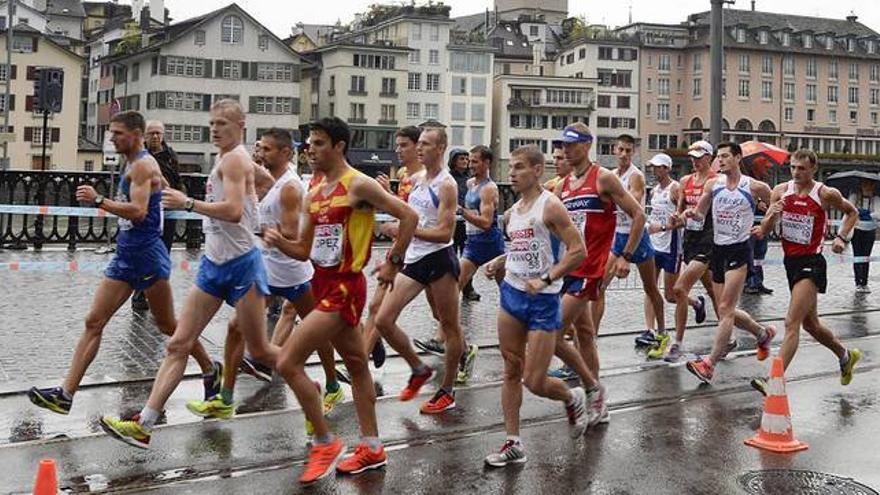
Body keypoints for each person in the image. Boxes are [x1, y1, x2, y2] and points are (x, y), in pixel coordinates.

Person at [98, 99, 279, 448]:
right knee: (179, 343)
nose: (214, 129)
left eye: (223, 123)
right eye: (212, 123)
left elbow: (234, 210)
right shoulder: (231, 160)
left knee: (262, 352)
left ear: (241, 124)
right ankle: (144, 424)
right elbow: (267, 179)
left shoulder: (237, 159)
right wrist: (261, 201)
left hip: (242, 263)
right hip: (214, 263)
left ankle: (315, 386)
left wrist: (189, 203)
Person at [27, 111, 220, 415]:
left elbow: (139, 211)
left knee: (168, 324)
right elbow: (163, 188)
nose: (112, 138)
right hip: (127, 253)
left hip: (146, 254)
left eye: (117, 133)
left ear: (136, 134)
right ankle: (65, 394)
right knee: (94, 321)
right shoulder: (136, 163)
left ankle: (210, 369)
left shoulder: (142, 165)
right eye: (111, 133)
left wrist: (99, 200)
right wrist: (167, 193)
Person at [262, 117, 418, 484]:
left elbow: (408, 216)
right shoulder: (313, 189)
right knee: (357, 364)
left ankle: (325, 441)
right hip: (320, 284)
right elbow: (303, 251)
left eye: (317, 143)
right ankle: (373, 447)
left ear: (339, 146)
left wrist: (394, 264)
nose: (309, 150)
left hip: (346, 289)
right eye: (308, 144)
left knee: (287, 361)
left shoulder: (358, 184)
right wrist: (277, 240)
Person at [184, 128, 342, 426]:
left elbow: (293, 233)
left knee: (316, 330)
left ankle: (330, 386)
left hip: (292, 271)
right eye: (259, 148)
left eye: (267, 149)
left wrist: (260, 230)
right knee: (235, 328)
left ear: (285, 153)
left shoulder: (291, 187)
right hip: (266, 268)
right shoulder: (266, 179)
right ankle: (225, 398)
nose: (260, 153)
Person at [483, 145, 591, 467]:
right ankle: (512, 442)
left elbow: (578, 251)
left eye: (518, 168)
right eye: (511, 168)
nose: (512, 173)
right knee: (511, 368)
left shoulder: (551, 206)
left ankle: (573, 397)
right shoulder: (512, 212)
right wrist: (499, 261)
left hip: (543, 301)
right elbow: (521, 248)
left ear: (537, 170)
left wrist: (546, 279)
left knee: (535, 381)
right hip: (512, 294)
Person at [749, 149, 862, 394]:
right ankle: (845, 356)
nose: (797, 172)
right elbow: (766, 228)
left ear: (813, 169)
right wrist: (771, 216)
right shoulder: (780, 191)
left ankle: (773, 380)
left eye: (802, 168)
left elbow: (851, 212)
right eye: (793, 168)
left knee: (792, 323)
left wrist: (842, 237)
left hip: (812, 263)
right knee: (811, 325)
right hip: (791, 262)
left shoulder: (824, 193)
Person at [374, 127, 466, 414]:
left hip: (439, 259)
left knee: (448, 325)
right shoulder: (415, 179)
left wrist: (408, 231)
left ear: (440, 148)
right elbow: (409, 215)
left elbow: (443, 232)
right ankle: (418, 366)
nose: (420, 148)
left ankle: (447, 390)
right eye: (420, 144)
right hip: (414, 260)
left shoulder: (447, 185)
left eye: (426, 144)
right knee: (383, 320)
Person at [683, 142, 776, 383]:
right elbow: (700, 213)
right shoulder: (713, 185)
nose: (720, 161)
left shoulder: (754, 186)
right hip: (718, 250)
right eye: (719, 157)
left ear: (737, 158)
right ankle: (761, 333)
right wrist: (688, 215)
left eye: (725, 156)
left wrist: (766, 225)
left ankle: (709, 364)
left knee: (724, 308)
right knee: (728, 310)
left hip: (739, 250)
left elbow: (777, 204)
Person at [592, 135, 666, 351]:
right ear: (614, 150)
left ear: (632, 152)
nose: (624, 154)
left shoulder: (636, 176)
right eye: (621, 150)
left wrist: (612, 196)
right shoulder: (612, 175)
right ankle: (592, 338)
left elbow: (633, 205)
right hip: (618, 236)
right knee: (599, 286)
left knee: (650, 288)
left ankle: (662, 332)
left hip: (637, 236)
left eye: (628, 150)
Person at [643, 154, 706, 360]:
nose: (654, 171)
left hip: (671, 246)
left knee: (671, 295)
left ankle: (696, 303)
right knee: (650, 288)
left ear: (667, 169)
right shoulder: (653, 191)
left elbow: (684, 216)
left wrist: (673, 222)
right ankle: (650, 330)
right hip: (655, 244)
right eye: (652, 167)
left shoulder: (675, 189)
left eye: (658, 167)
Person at [130, 120, 183, 311]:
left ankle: (157, 295)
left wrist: (180, 198)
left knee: (163, 253)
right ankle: (140, 292)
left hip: (168, 208)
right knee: (145, 252)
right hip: (148, 209)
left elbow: (176, 180)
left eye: (158, 133)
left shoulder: (171, 156)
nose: (155, 137)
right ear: (145, 136)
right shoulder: (140, 156)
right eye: (151, 133)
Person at [449, 148, 477, 300]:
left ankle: (468, 288)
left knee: (468, 257)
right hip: (452, 222)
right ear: (453, 161)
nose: (465, 162)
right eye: (461, 159)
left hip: (468, 221)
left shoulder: (471, 178)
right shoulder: (448, 178)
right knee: (451, 257)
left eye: (467, 159)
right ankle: (451, 287)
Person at [744, 156, 773, 295]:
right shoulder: (747, 181)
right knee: (749, 253)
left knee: (760, 254)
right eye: (765, 167)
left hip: (763, 223)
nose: (768, 170)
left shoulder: (763, 182)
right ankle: (749, 282)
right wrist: (756, 203)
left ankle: (758, 281)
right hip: (749, 224)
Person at [848, 179, 880, 293]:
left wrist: (868, 214)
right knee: (857, 256)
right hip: (856, 230)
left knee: (866, 256)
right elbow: (849, 209)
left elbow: (878, 213)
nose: (867, 187)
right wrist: (857, 213)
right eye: (865, 184)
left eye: (870, 185)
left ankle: (864, 282)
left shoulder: (875, 199)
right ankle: (858, 282)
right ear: (861, 185)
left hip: (870, 231)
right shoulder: (854, 196)